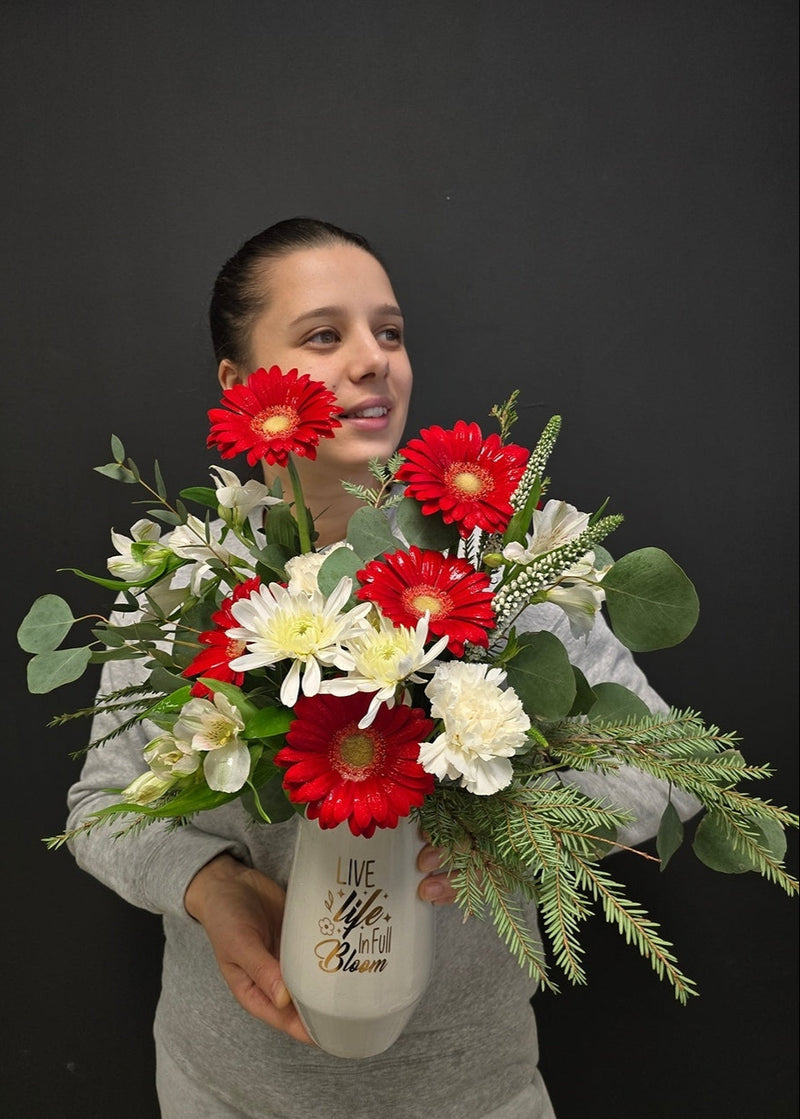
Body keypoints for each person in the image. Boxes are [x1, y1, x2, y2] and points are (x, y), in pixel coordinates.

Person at [66, 217, 698, 1119]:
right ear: (242, 386)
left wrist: (518, 825)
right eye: (325, 335)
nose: (374, 360)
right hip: (228, 1093)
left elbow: (664, 768)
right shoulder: (184, 583)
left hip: (475, 1095)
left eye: (389, 332)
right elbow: (101, 807)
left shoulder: (513, 565)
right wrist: (209, 887)